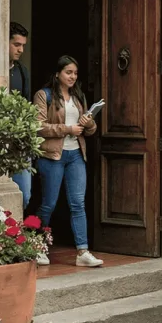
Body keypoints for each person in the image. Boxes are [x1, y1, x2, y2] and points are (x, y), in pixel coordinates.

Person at [33, 55, 102, 267]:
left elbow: (89, 131)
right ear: (57, 74)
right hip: (52, 155)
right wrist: (67, 129)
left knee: (78, 203)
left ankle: (83, 252)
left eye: (75, 73)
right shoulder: (44, 95)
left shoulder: (78, 97)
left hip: (76, 155)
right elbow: (37, 126)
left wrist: (88, 124)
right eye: (68, 72)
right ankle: (37, 247)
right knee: (49, 203)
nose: (72, 77)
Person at [8, 22, 33, 212]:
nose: (21, 50)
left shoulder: (22, 72)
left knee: (24, 194)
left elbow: (26, 106)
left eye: (23, 45)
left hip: (19, 141)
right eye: (16, 45)